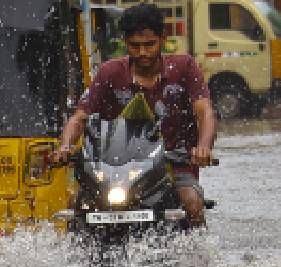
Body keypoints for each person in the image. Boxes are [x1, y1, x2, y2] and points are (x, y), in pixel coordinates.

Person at [47, 2, 216, 226]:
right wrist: (65, 146)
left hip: (173, 166)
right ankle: (76, 259)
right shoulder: (110, 73)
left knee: (191, 202)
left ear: (163, 39)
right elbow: (80, 117)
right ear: (125, 42)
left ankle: (198, 257)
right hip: (117, 171)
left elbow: (205, 113)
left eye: (149, 44)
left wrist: (203, 147)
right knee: (76, 206)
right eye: (135, 46)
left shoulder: (184, 68)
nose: (143, 52)